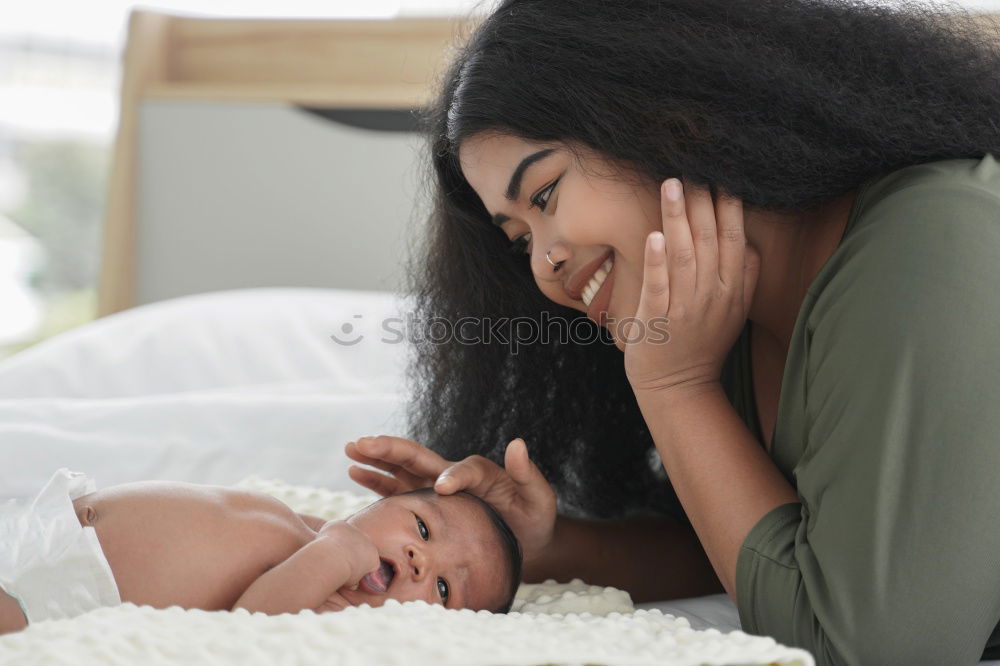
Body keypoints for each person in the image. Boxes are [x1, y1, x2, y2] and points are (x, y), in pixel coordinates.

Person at [348, 1, 1000, 664]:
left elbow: (877, 647)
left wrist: (674, 386)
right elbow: (755, 549)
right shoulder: (732, 318)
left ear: (668, 125)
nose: (544, 263)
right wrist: (540, 545)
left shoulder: (936, 244)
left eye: (543, 196)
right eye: (519, 241)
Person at [0, 468, 522, 635]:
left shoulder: (325, 607)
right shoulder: (318, 532)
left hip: (61, 599)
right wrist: (337, 540)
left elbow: (253, 624)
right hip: (49, 525)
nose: (419, 561)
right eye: (424, 530)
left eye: (444, 589)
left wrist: (335, 558)